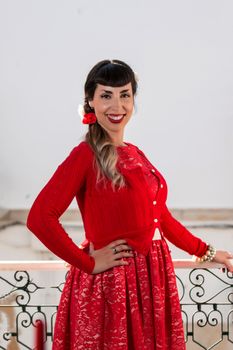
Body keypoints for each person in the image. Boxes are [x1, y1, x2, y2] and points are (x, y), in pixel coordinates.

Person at [27, 59, 233, 350]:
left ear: (133, 100)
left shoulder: (135, 152)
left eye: (125, 95)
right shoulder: (85, 154)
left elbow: (159, 217)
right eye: (106, 95)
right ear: (90, 101)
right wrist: (87, 262)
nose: (117, 106)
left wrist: (206, 251)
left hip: (152, 279)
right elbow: (39, 218)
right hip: (115, 285)